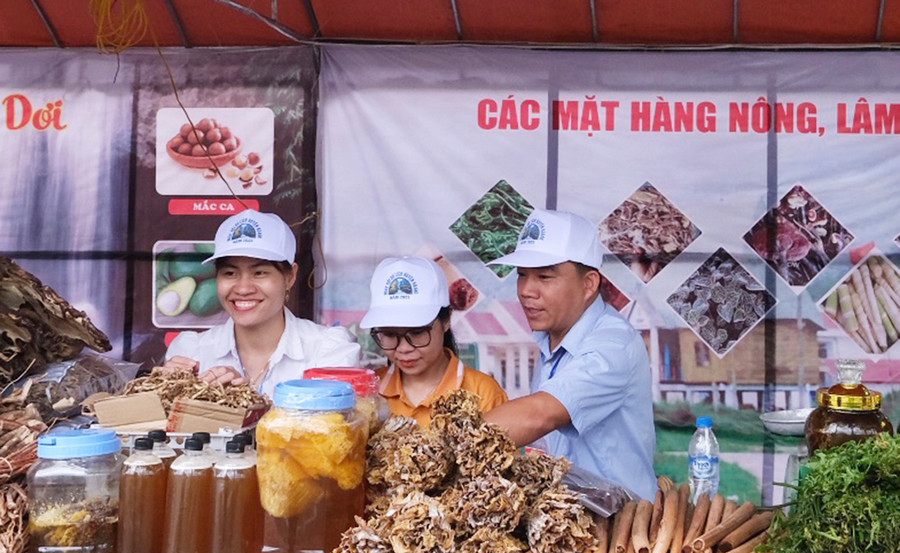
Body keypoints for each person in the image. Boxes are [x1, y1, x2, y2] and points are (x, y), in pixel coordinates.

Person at [483, 209, 657, 499]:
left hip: (621, 530)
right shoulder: (550, 340)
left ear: (588, 284)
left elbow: (540, 414)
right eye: (522, 275)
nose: (527, 290)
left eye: (545, 277)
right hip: (570, 522)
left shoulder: (613, 346)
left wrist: (444, 447)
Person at [164, 209, 360, 397]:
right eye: (230, 273)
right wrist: (165, 392)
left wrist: (245, 403)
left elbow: (333, 425)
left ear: (290, 276)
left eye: (259, 273)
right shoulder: (191, 352)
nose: (243, 289)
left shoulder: (328, 350)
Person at [360, 256, 507, 427]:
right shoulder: (368, 393)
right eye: (390, 335)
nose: (404, 348)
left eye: (417, 333)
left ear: (446, 321)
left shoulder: (484, 394)